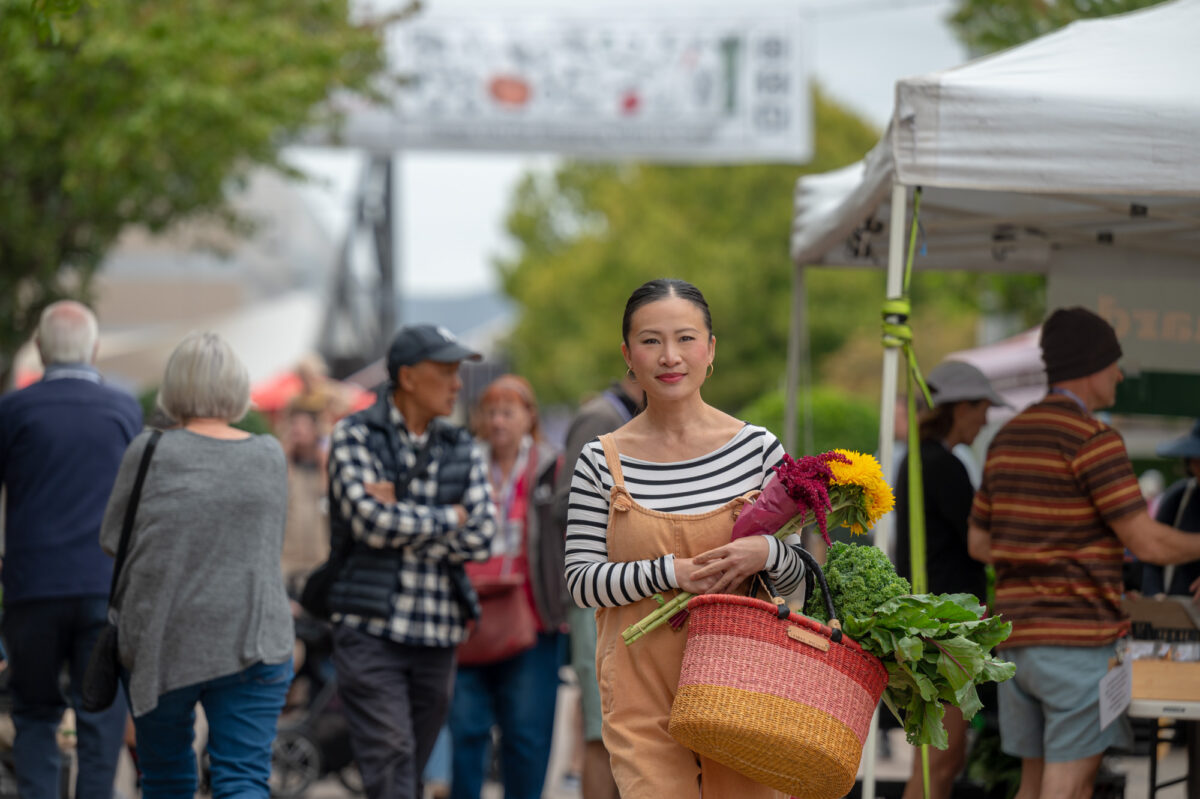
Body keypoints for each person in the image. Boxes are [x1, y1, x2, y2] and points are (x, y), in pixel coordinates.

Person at [563, 278, 807, 799]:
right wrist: (671, 572)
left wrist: (764, 552)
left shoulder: (758, 450)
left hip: (745, 684)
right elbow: (581, 583)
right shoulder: (599, 459)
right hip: (638, 690)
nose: (670, 356)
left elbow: (801, 574)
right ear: (628, 355)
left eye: (686, 338)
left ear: (711, 348)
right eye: (650, 341)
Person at [968, 306, 1200, 799]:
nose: (1119, 373)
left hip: (1016, 642)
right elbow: (1148, 541)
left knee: (1032, 782)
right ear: (1092, 365)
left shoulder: (1006, 439)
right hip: (1076, 643)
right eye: (1114, 362)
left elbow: (979, 542)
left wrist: (1040, 547)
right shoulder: (1094, 440)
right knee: (1070, 784)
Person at [101, 331, 294, 798]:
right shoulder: (269, 456)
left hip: (162, 639)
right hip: (254, 636)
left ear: (175, 386)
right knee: (243, 779)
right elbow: (268, 543)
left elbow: (113, 541)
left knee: (165, 778)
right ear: (237, 385)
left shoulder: (148, 452)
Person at [326, 323, 496, 799]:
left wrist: (398, 517)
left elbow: (484, 536)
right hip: (368, 629)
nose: (457, 382)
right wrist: (451, 516)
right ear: (407, 377)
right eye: (445, 370)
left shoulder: (461, 446)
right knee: (391, 759)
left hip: (438, 634)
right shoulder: (354, 435)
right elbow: (369, 525)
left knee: (408, 769)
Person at [0, 300, 141, 799]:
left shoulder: (13, 411)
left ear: (38, 349)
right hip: (103, 588)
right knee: (100, 716)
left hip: (31, 587)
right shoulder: (124, 409)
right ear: (96, 349)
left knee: (35, 710)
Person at [895, 360, 1008, 799]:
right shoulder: (942, 464)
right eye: (982, 409)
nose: (985, 420)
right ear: (961, 407)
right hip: (942, 629)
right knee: (939, 760)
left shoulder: (920, 459)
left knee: (944, 758)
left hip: (932, 625)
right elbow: (980, 543)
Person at [449, 375, 566, 799]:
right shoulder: (461, 464)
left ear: (529, 416)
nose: (498, 421)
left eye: (508, 412)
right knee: (465, 730)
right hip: (469, 616)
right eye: (491, 412)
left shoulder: (552, 466)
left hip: (531, 619)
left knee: (526, 736)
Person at [552, 373, 641, 799]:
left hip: (629, 591)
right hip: (596, 592)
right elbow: (565, 503)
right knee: (600, 728)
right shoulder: (601, 416)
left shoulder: (629, 416)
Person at [1141, 419, 1200, 600]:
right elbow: (1153, 554)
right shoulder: (1179, 496)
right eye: (1195, 460)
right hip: (1176, 611)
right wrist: (1155, 594)